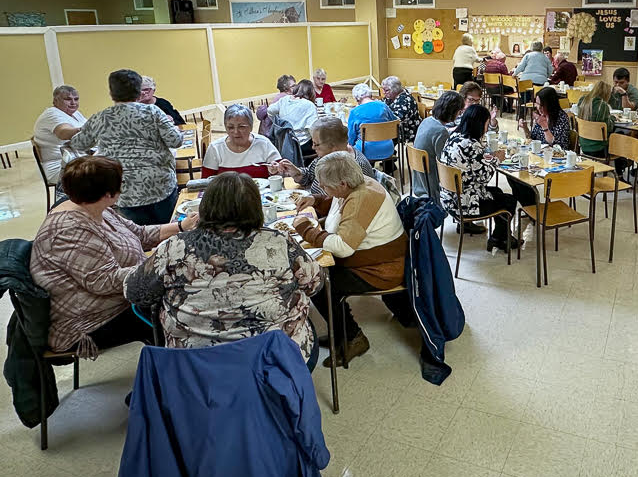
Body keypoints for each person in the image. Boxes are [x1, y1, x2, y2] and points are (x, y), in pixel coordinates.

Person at [125, 172, 323, 370]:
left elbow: (135, 292)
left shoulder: (175, 247)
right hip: (273, 365)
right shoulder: (278, 242)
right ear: (255, 208)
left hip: (194, 369)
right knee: (301, 318)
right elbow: (315, 283)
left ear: (206, 207)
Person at [30, 156, 195, 358]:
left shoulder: (93, 207)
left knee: (178, 296)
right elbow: (104, 281)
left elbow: (140, 234)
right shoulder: (69, 230)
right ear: (109, 194)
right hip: (90, 322)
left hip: (119, 298)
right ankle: (175, 370)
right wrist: (164, 266)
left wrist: (182, 226)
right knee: (175, 313)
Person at [292, 153, 409, 366]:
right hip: (369, 259)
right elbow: (338, 203)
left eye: (326, 186)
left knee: (318, 282)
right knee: (317, 274)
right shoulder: (359, 183)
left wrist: (307, 231)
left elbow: (344, 247)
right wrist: (316, 200)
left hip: (380, 269)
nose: (325, 190)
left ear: (343, 183)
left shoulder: (361, 199)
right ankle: (341, 331)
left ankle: (353, 337)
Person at [68, 69, 182, 225]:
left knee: (141, 236)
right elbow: (175, 141)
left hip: (124, 188)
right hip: (160, 184)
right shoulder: (153, 112)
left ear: (111, 92)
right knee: (170, 229)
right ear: (138, 92)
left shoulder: (101, 117)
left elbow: (78, 143)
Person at [439, 105, 526, 252]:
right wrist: (497, 159)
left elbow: (471, 164)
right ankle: (498, 238)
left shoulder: (455, 137)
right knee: (509, 201)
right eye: (486, 124)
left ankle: (502, 237)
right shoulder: (471, 144)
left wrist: (485, 159)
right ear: (479, 124)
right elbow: (484, 178)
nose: (486, 128)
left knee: (498, 191)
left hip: (449, 196)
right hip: (463, 203)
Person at [275, 116, 376, 195]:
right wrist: (296, 171)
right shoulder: (327, 157)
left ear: (333, 146)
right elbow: (309, 175)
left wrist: (315, 201)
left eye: (316, 144)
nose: (313, 147)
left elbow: (352, 206)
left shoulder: (354, 168)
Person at [412, 91, 464, 202]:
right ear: (453, 112)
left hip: (419, 181)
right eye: (459, 112)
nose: (459, 115)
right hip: (432, 185)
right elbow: (446, 162)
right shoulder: (441, 132)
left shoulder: (426, 121)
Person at [202, 105, 280, 178]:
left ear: (251, 127)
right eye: (230, 127)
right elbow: (206, 181)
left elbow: (281, 173)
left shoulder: (263, 143)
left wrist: (275, 171)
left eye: (241, 127)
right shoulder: (215, 148)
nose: (236, 132)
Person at [33, 85, 86, 184]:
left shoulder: (75, 113)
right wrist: (87, 129)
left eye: (76, 99)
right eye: (68, 99)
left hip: (77, 160)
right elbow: (63, 132)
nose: (73, 103)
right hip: (60, 167)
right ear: (55, 101)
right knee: (108, 170)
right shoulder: (52, 114)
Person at [346, 83, 398, 163]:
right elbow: (395, 122)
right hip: (388, 149)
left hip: (364, 151)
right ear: (370, 95)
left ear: (357, 99)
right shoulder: (383, 106)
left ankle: (364, 170)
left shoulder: (354, 112)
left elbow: (351, 137)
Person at [266, 79, 319, 146]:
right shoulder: (309, 105)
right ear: (311, 93)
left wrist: (278, 123)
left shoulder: (285, 99)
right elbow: (312, 129)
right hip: (302, 144)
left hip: (284, 143)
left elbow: (269, 110)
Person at [576, 81, 615, 157]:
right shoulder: (602, 106)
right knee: (621, 135)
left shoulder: (583, 101)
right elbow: (608, 128)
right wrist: (612, 118)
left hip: (583, 145)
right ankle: (622, 165)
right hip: (599, 148)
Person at [381, 76, 420, 145]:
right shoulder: (391, 97)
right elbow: (381, 105)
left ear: (395, 89)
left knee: (377, 136)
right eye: (383, 90)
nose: (383, 92)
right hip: (395, 130)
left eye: (386, 90)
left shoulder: (405, 100)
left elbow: (396, 121)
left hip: (406, 132)